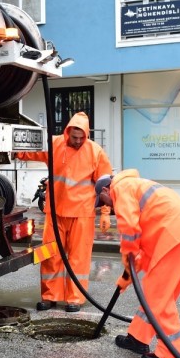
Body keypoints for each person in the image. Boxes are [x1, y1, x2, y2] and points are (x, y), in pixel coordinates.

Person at [97, 169, 180, 358]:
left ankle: (172, 353)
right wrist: (126, 278)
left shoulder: (120, 188)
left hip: (174, 234)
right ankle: (138, 338)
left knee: (158, 295)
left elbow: (129, 230)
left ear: (106, 189)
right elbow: (143, 254)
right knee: (157, 291)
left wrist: (127, 254)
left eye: (104, 201)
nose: (108, 207)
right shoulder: (133, 186)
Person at [16, 112, 112, 313]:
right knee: (51, 255)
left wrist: (105, 212)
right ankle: (50, 296)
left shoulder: (96, 152)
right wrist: (10, 149)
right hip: (56, 212)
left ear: (86, 134)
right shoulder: (54, 145)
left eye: (81, 137)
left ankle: (74, 298)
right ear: (67, 132)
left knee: (78, 258)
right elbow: (30, 152)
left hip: (82, 214)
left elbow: (106, 188)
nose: (77, 141)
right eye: (74, 137)